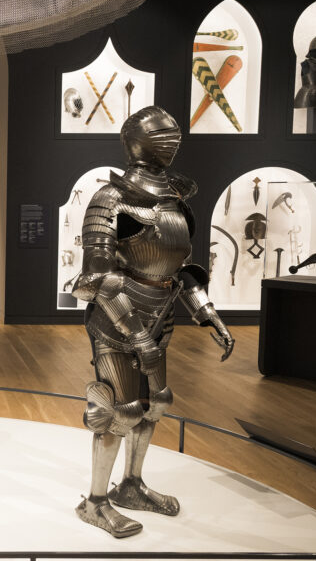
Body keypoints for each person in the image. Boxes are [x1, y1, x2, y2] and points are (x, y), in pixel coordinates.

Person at [72, 106, 234, 537]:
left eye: (173, 132)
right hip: (117, 320)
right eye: (162, 133)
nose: (172, 139)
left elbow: (178, 271)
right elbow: (97, 278)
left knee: (155, 403)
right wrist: (137, 335)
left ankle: (132, 485)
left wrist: (207, 313)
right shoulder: (111, 199)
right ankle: (95, 501)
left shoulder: (175, 199)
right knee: (121, 410)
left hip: (160, 315)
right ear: (136, 140)